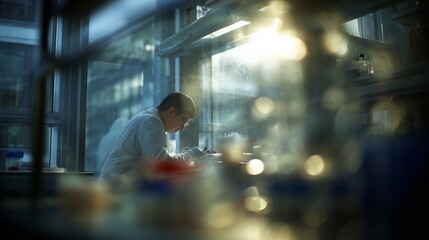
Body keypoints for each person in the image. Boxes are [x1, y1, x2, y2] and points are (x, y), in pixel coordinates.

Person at [99, 92, 205, 191]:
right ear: (171, 112)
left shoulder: (149, 119)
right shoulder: (150, 123)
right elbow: (162, 164)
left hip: (120, 187)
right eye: (183, 120)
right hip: (117, 190)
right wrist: (191, 154)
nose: (182, 127)